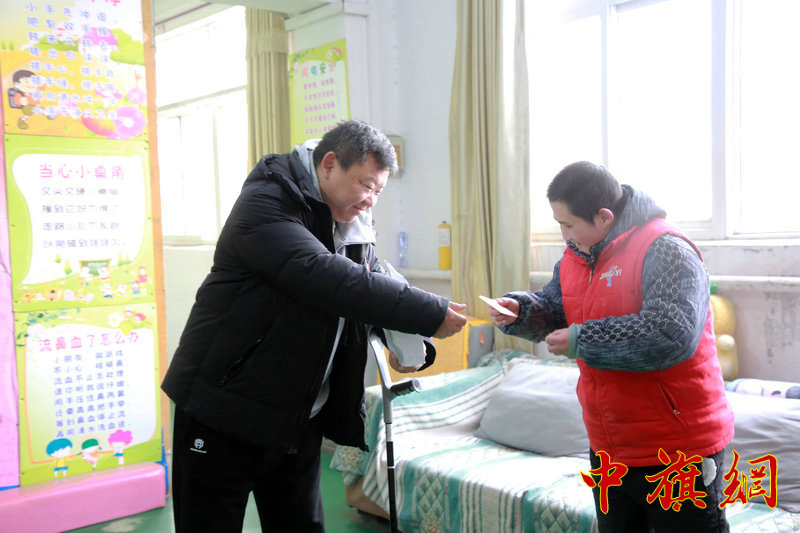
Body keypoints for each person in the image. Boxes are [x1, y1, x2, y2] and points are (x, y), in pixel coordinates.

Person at [161, 120, 467, 532]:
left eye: (378, 191)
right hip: (223, 408)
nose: (370, 200)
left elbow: (374, 279)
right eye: (366, 185)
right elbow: (325, 276)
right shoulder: (267, 202)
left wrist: (414, 344)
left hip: (298, 413)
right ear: (329, 165)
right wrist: (431, 311)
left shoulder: (353, 222)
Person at [487, 161, 734, 532]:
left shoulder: (667, 249)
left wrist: (582, 340)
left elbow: (670, 334)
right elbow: (556, 309)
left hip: (679, 448)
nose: (564, 235)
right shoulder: (575, 256)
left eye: (568, 224)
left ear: (604, 216)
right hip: (610, 445)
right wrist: (520, 311)